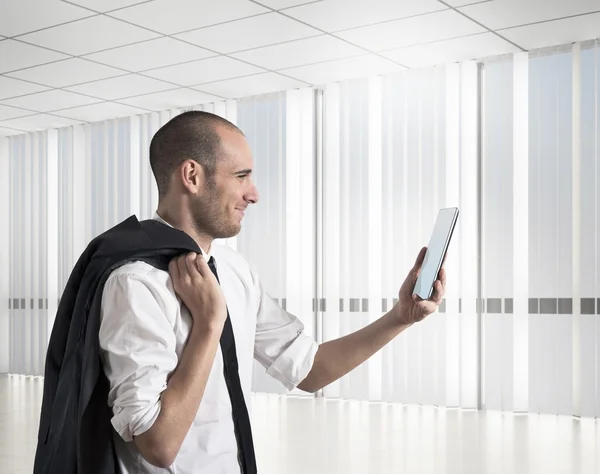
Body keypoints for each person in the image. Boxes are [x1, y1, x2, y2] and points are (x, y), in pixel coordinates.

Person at [98, 110, 446, 473]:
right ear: (192, 176)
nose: (254, 194)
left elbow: (309, 370)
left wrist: (400, 318)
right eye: (241, 176)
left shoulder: (235, 269)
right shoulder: (136, 283)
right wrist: (209, 324)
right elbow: (158, 444)